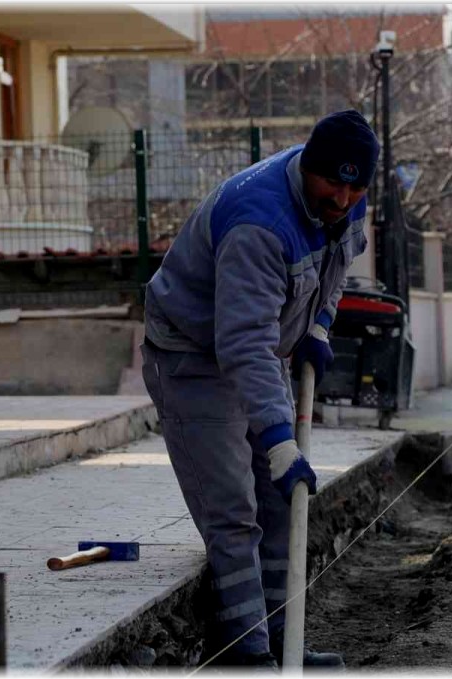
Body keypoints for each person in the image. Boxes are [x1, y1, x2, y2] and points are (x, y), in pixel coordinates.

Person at [140, 110, 379, 668]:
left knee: (280, 501)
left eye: (355, 187)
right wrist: (277, 442)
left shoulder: (347, 201)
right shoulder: (259, 225)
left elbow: (338, 267)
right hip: (191, 353)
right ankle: (245, 656)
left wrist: (319, 326)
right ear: (307, 168)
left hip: (258, 347)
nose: (342, 199)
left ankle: (281, 643)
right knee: (233, 507)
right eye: (332, 184)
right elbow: (242, 343)